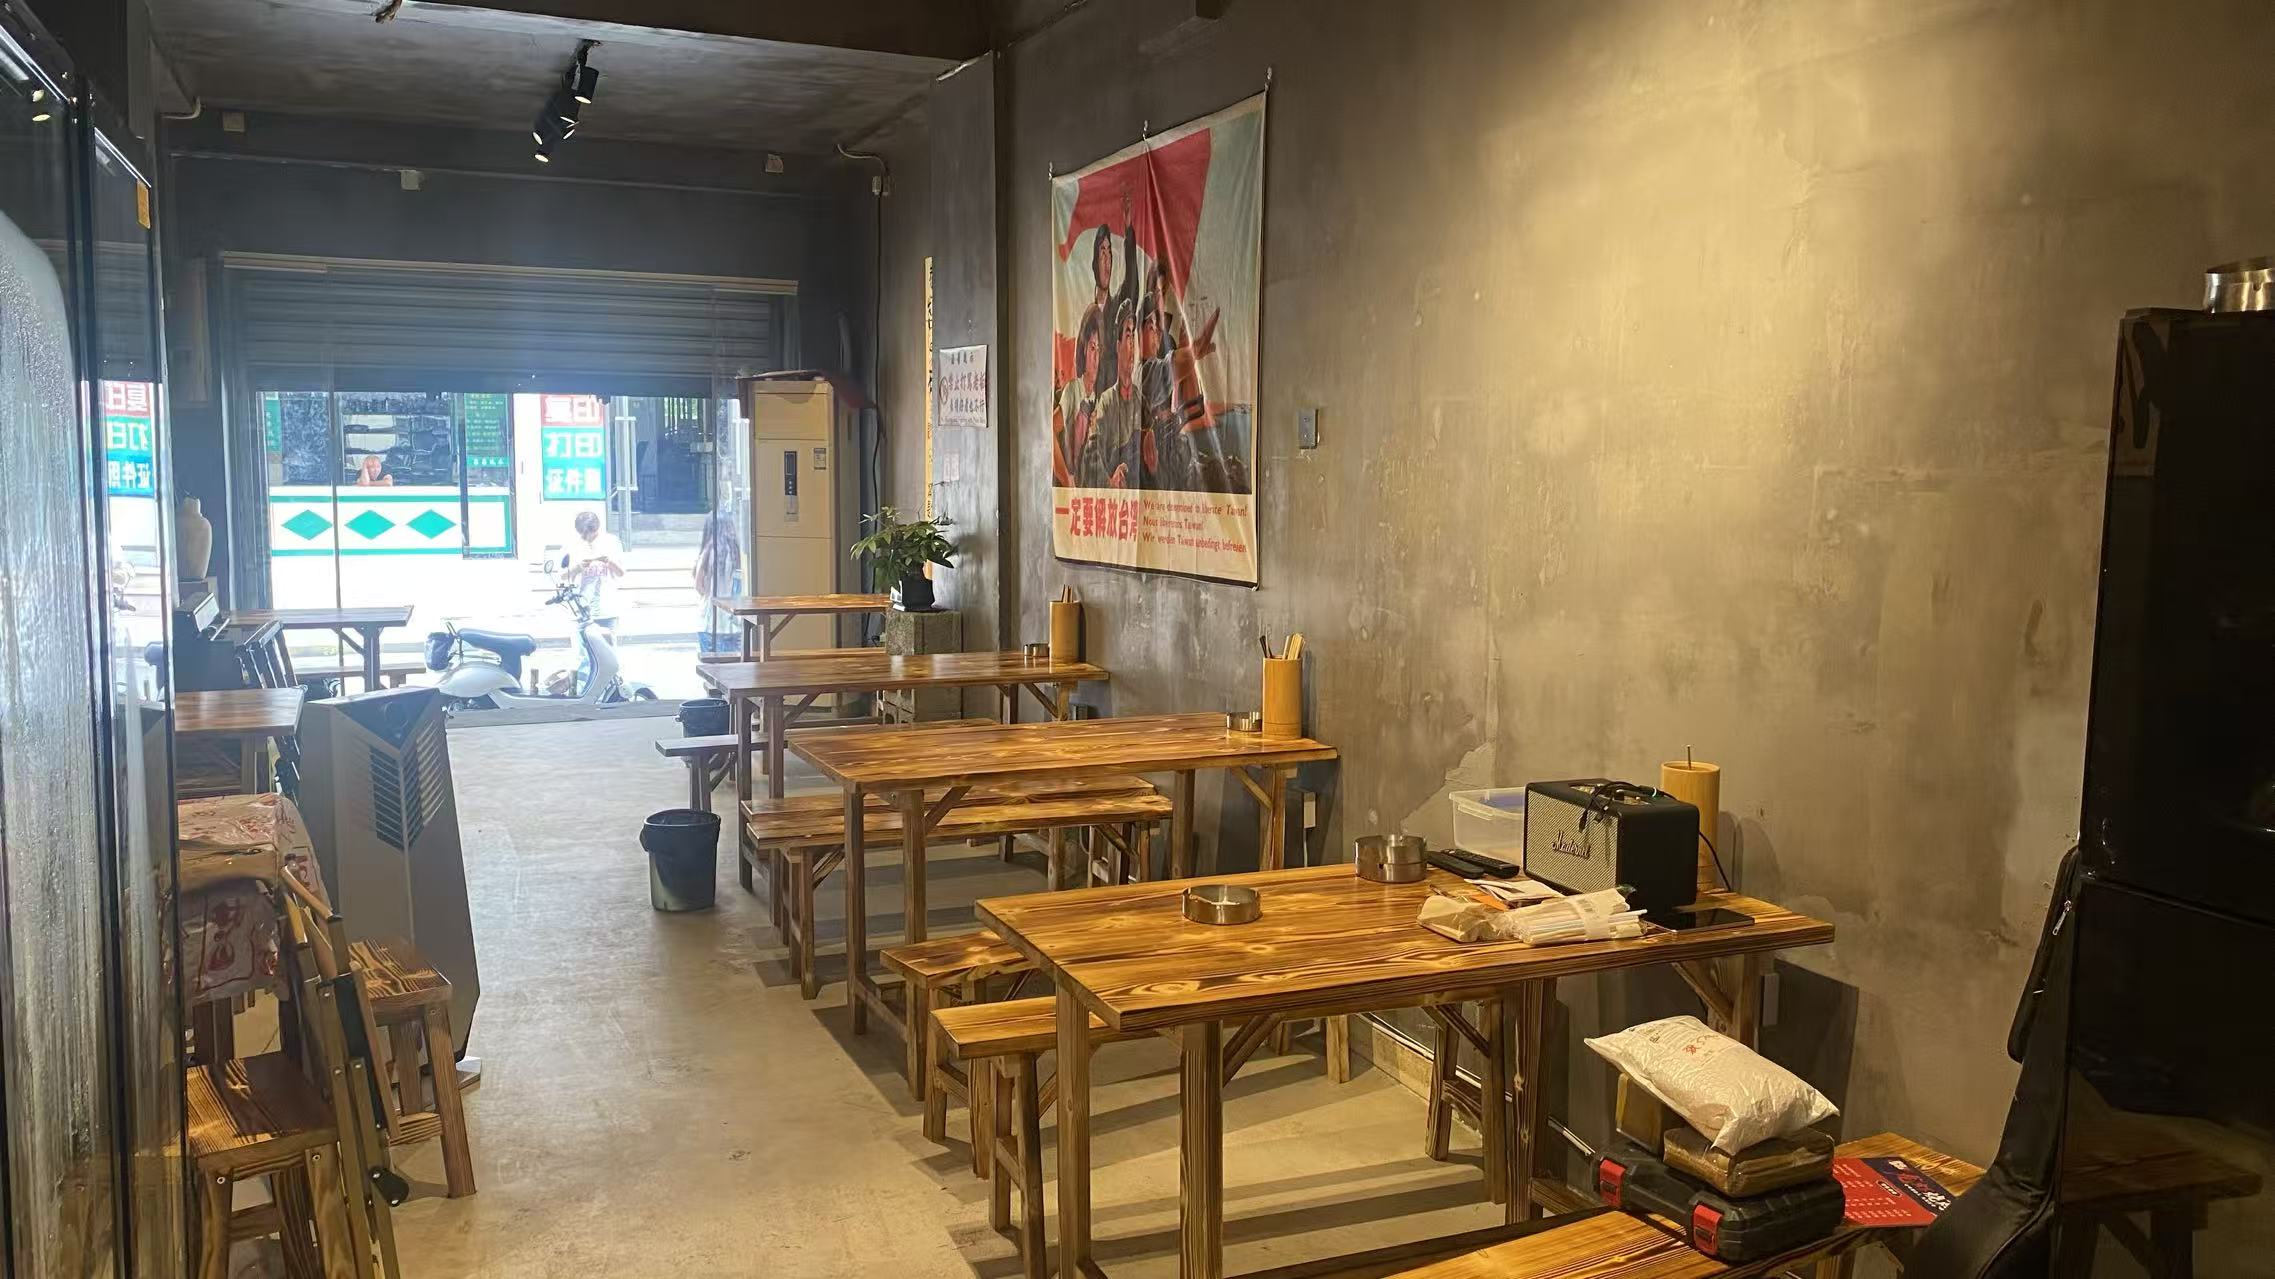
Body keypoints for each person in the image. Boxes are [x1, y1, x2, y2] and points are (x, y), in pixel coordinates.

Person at [559, 511, 624, 689]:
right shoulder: (572, 545)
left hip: (607, 607)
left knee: (609, 654)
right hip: (582, 609)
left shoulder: (611, 542)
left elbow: (621, 572)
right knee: (584, 656)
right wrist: (578, 567)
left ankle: (611, 690)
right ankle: (585, 690)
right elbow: (562, 575)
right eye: (583, 534)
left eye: (591, 534)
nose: (587, 538)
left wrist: (608, 561)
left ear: (597, 529)